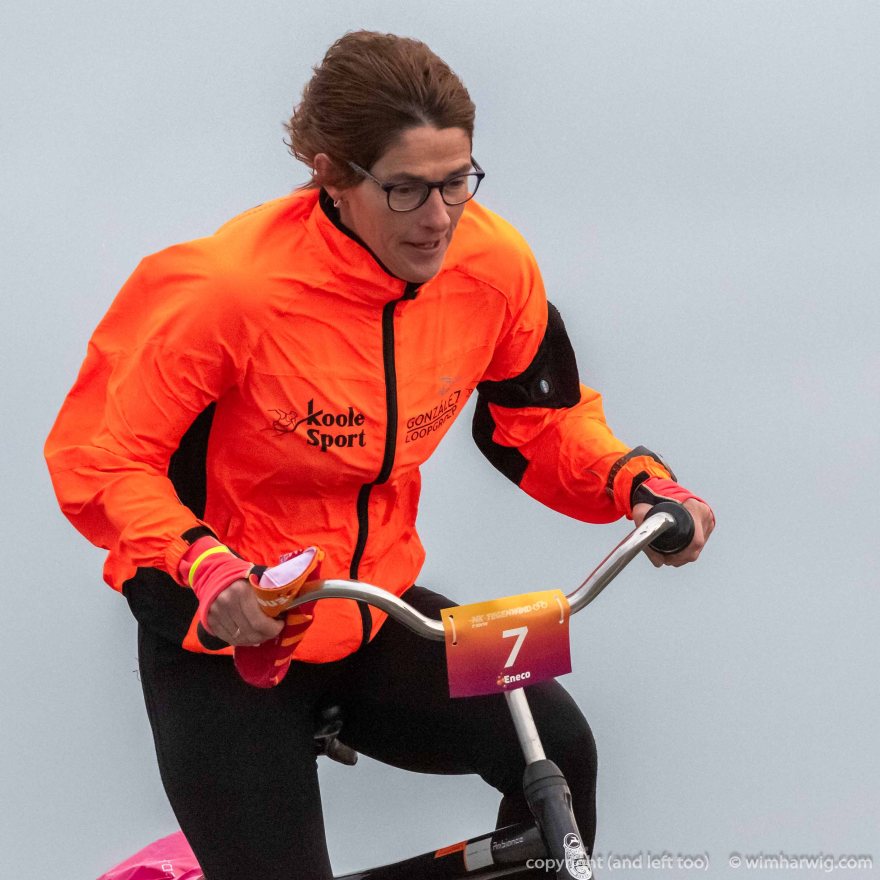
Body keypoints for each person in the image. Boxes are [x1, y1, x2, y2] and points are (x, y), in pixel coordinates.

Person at [45, 30, 714, 880]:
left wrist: (637, 484)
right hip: (229, 638)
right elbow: (103, 458)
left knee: (558, 754)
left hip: (380, 611)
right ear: (331, 175)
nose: (438, 219)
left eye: (457, 181)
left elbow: (539, 423)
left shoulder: (492, 266)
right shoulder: (227, 293)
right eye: (405, 190)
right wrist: (206, 567)